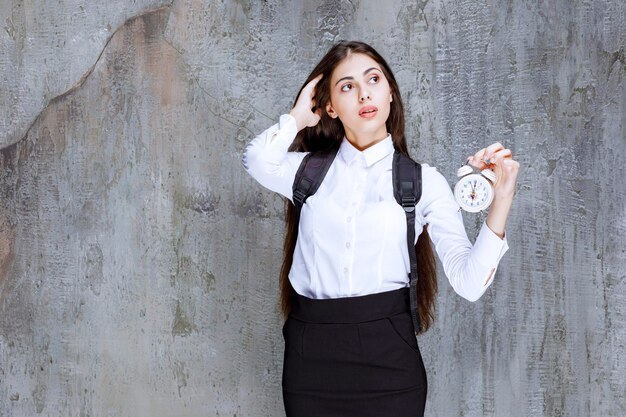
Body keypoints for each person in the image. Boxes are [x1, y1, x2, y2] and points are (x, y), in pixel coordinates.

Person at [242, 40, 519, 417]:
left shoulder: (425, 183)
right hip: (311, 358)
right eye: (346, 87)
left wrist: (501, 198)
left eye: (373, 79)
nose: (363, 93)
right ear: (329, 108)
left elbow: (469, 284)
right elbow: (256, 160)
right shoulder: (305, 172)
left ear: (390, 92)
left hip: (389, 361)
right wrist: (297, 117)